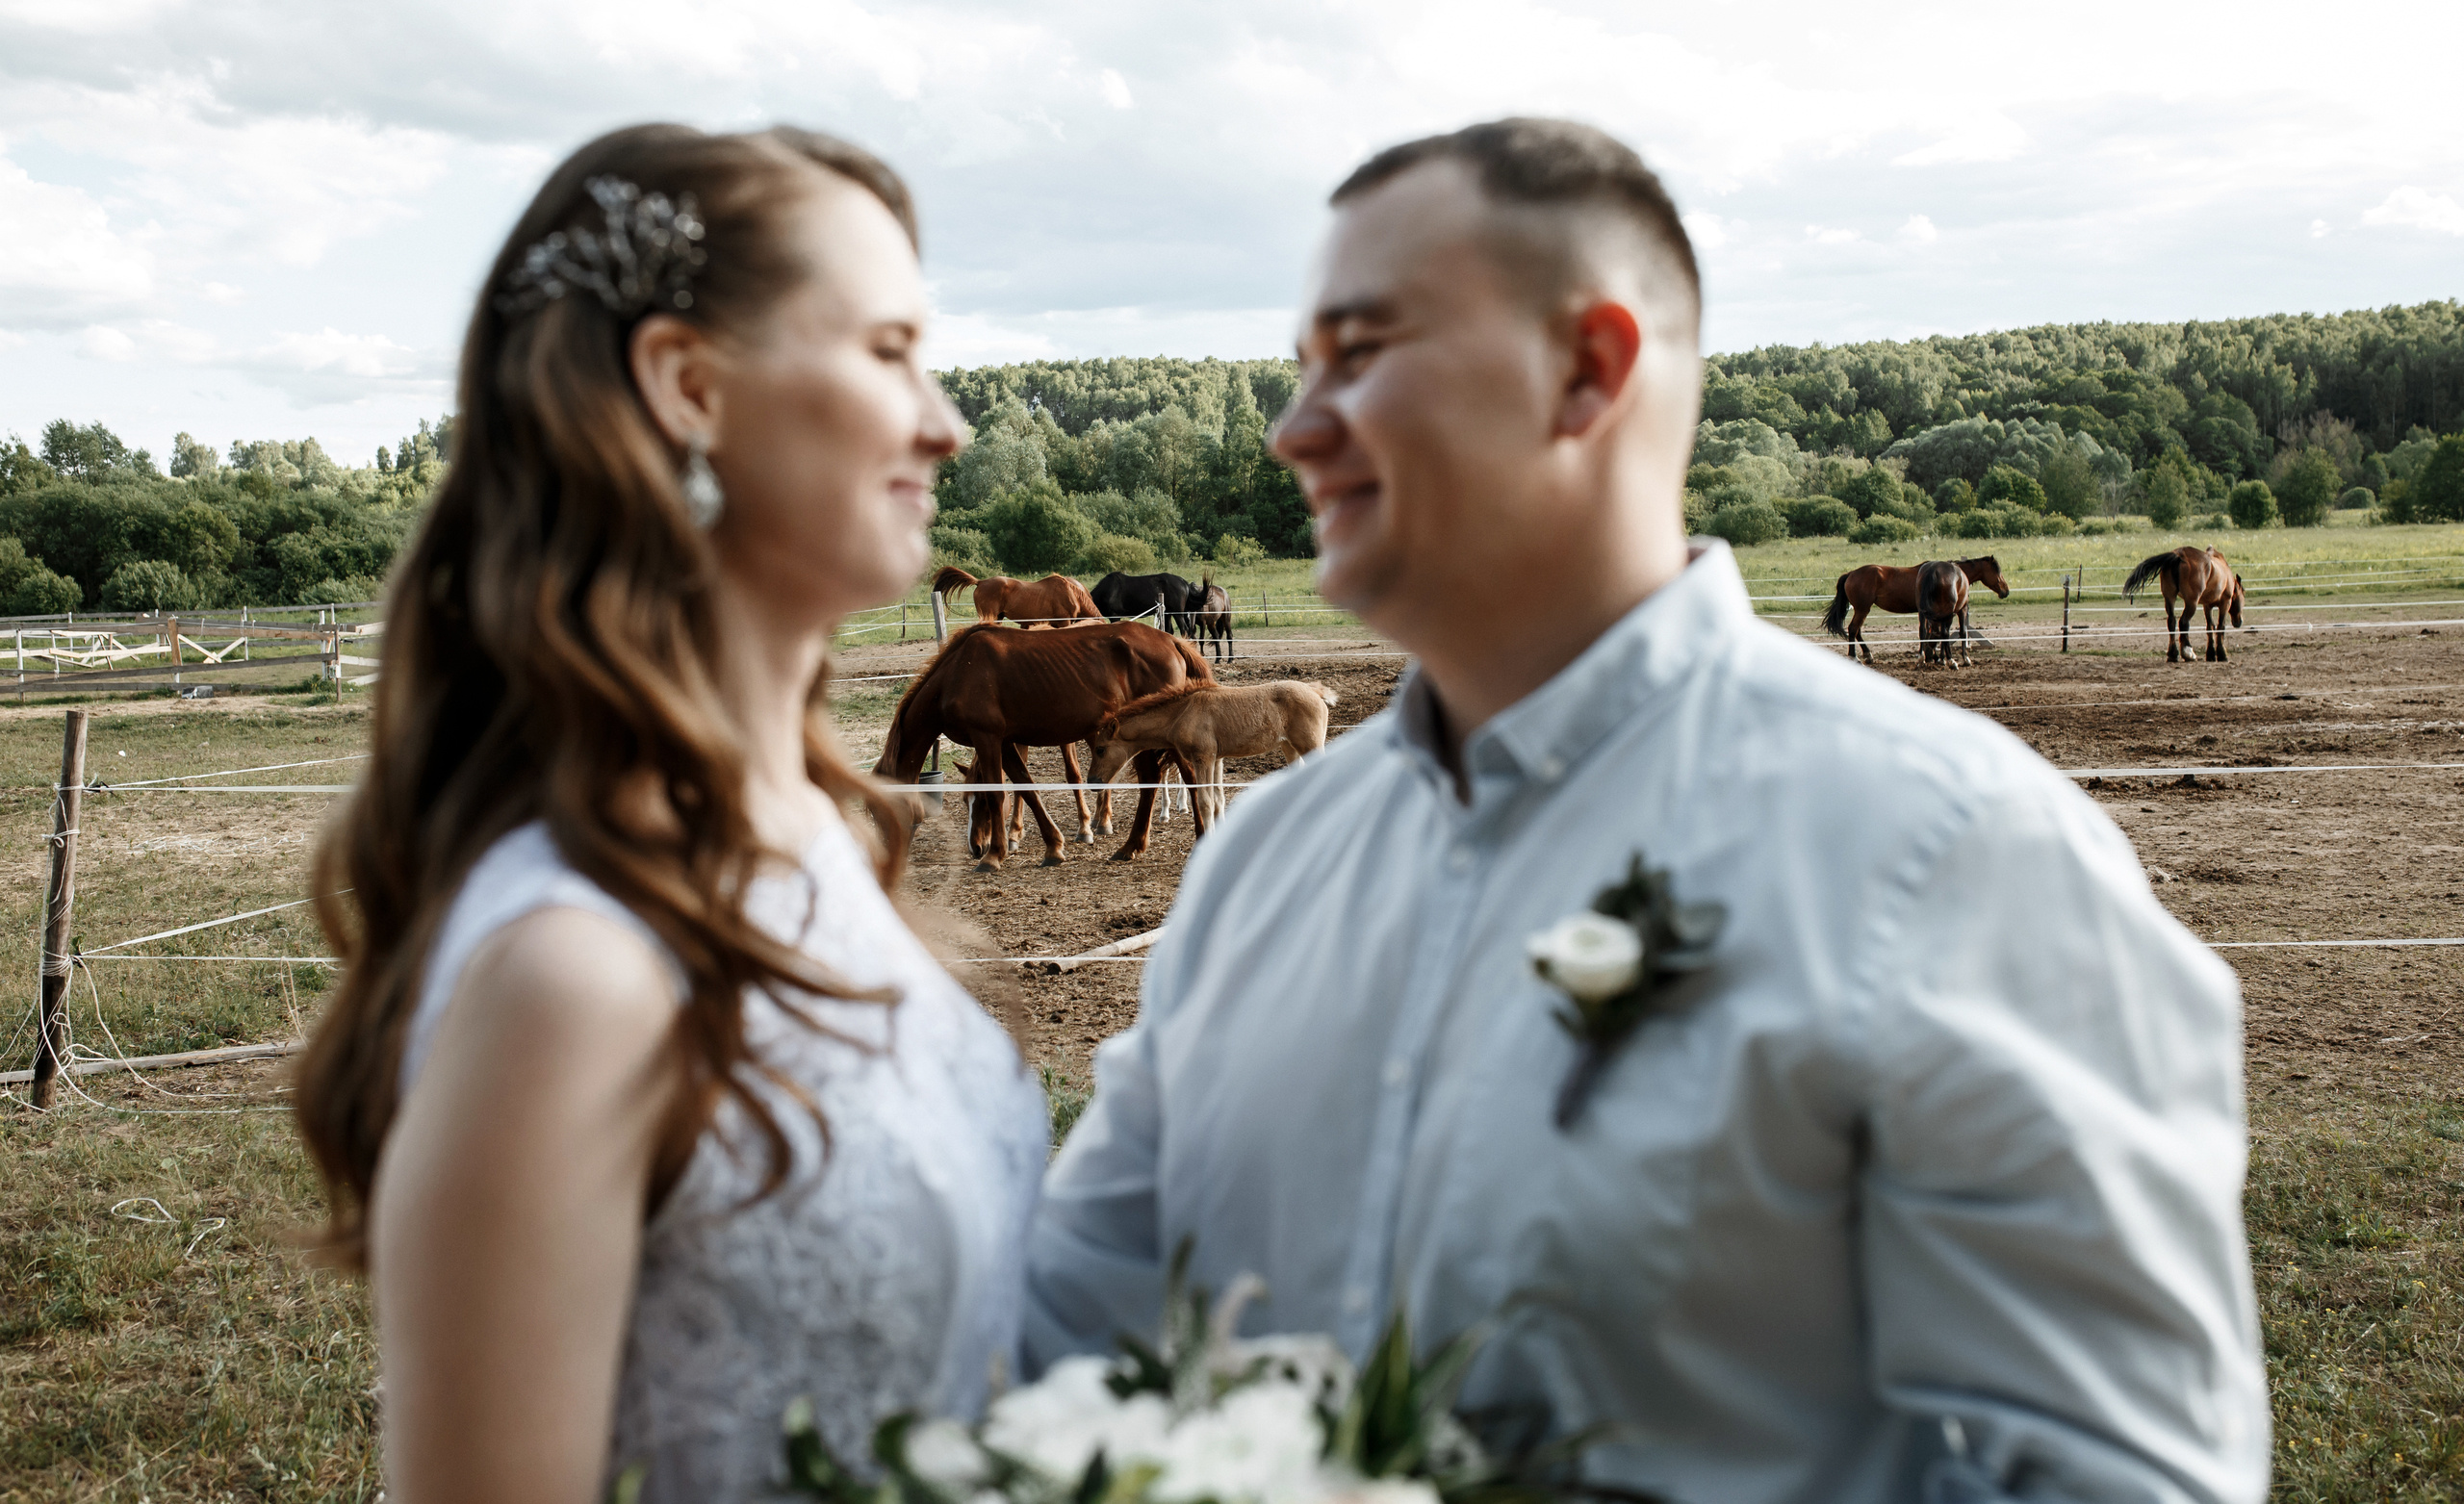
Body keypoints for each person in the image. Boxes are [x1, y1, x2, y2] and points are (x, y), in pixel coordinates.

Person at [1025, 119, 2268, 1504]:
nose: (1294, 428)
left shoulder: (1954, 854)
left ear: (1585, 370)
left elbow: (2117, 1474)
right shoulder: (1263, 863)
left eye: (1361, 356)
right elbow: (1077, 1328)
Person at [295, 124, 1044, 1504]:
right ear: (690, 385)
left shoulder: (822, 847)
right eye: (889, 351)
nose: (948, 421)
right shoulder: (572, 979)